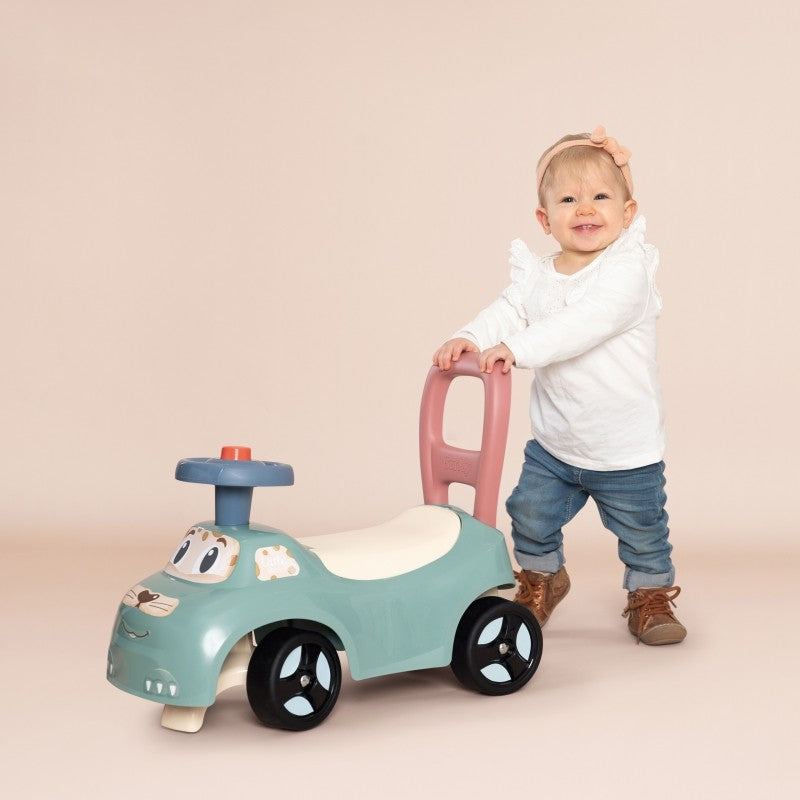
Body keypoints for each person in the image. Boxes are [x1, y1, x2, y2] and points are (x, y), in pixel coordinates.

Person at [432, 126, 685, 645]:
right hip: (556, 444)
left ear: (627, 212)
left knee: (642, 532)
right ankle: (543, 577)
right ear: (546, 220)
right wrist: (469, 337)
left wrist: (519, 350)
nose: (585, 209)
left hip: (624, 448)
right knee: (528, 513)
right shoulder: (538, 275)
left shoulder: (626, 273)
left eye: (600, 197)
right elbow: (507, 310)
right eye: (569, 199)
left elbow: (581, 325)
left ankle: (649, 596)